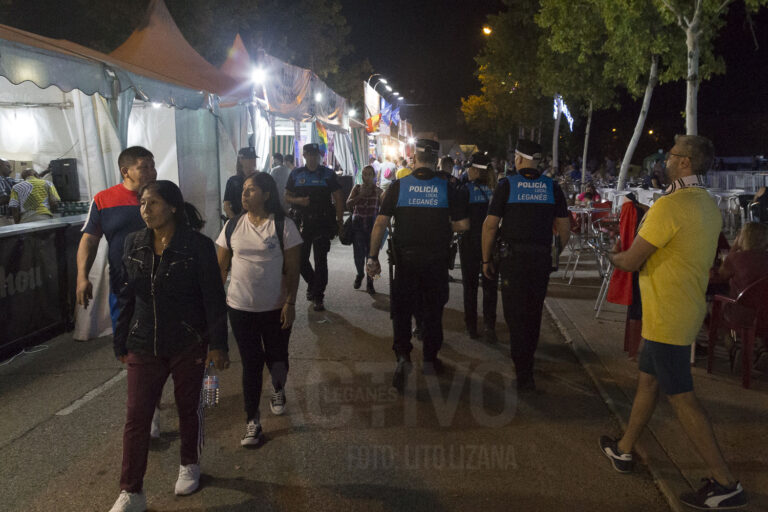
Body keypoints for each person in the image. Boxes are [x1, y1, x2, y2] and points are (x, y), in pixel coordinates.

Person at [599, 135, 748, 510]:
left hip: (668, 315)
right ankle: (624, 449)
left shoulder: (670, 206)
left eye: (671, 155)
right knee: (648, 381)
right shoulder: (707, 203)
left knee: (682, 398)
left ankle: (726, 484)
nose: (664, 159)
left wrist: (613, 255)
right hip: (680, 310)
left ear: (685, 163)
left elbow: (632, 260)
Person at [109, 180, 228, 512]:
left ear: (173, 207)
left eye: (153, 203)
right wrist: (121, 338)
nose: (145, 210)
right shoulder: (133, 243)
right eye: (142, 204)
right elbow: (126, 294)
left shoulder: (197, 246)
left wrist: (218, 344)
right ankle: (131, 491)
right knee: (137, 416)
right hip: (143, 340)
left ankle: (189, 462)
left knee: (189, 407)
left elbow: (213, 297)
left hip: (188, 340)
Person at [367, 138, 469, 393]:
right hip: (436, 262)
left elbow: (380, 223)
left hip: (405, 262)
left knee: (402, 311)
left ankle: (403, 355)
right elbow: (463, 225)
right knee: (433, 311)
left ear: (414, 158)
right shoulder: (448, 187)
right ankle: (430, 359)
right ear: (436, 160)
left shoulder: (399, 186)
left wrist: (372, 257)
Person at [77, 147, 163, 439]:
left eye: (152, 165)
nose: (151, 171)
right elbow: (89, 240)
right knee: (126, 348)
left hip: (158, 288)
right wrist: (82, 277)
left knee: (153, 349)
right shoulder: (104, 200)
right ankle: (149, 402)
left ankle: (150, 410)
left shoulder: (161, 196)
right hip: (123, 289)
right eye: (144, 167)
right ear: (126, 171)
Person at [216, 173, 302, 447]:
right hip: (240, 308)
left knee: (277, 357)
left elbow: (293, 269)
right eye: (244, 189)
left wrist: (290, 302)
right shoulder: (232, 225)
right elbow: (220, 267)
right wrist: (214, 306)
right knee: (251, 364)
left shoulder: (283, 225)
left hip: (275, 307)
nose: (244, 194)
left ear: (266, 194)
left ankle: (278, 388)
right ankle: (252, 421)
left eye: (251, 190)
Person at [481, 139, 571, 393]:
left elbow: (490, 226)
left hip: (513, 262)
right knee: (533, 313)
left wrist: (486, 259)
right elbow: (564, 229)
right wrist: (554, 254)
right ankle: (527, 364)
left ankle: (522, 369)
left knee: (515, 315)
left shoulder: (507, 185)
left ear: (519, 159)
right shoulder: (552, 187)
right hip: (540, 261)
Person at [284, 143, 344, 311]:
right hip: (301, 224)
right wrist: (299, 201)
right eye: (309, 154)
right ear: (304, 155)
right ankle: (312, 283)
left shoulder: (328, 174)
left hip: (322, 223)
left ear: (319, 156)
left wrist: (339, 221)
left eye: (315, 154)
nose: (312, 157)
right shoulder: (296, 174)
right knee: (301, 260)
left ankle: (318, 296)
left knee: (320, 260)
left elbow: (339, 197)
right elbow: (287, 196)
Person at [459, 153, 498, 341]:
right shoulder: (495, 191)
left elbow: (460, 221)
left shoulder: (465, 190)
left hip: (470, 243)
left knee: (470, 286)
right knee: (490, 285)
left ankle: (471, 327)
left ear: (475, 170)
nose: (467, 170)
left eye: (469, 167)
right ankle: (489, 326)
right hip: (491, 244)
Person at [346, 165, 383, 294]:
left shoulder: (378, 191)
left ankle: (370, 282)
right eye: (364, 174)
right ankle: (360, 274)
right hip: (358, 225)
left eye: (369, 174)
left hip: (373, 225)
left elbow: (385, 209)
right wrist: (360, 196)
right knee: (358, 255)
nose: (366, 177)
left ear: (374, 176)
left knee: (372, 255)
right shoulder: (356, 188)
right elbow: (348, 204)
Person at [717, 222, 768, 298]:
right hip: (763, 303)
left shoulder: (735, 258)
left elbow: (721, 275)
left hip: (741, 303)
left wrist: (734, 248)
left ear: (743, 238)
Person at [223, 147, 258, 219]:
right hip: (238, 218)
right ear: (241, 160)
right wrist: (235, 221)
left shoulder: (260, 179)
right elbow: (226, 206)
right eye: (249, 158)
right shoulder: (233, 181)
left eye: (254, 158)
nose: (253, 160)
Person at [0, 158, 17, 227]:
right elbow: (3, 199)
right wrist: (19, 196)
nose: (10, 170)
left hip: (8, 217)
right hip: (2, 218)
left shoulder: (8, 179)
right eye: (8, 166)